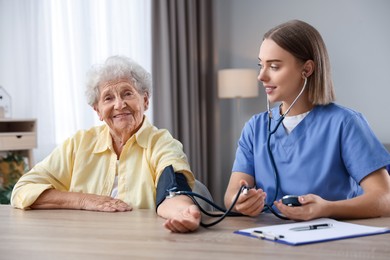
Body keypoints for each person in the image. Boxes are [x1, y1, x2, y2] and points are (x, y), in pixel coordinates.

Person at [11, 55, 201, 233]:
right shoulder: (78, 144)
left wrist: (184, 213)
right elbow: (23, 190)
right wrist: (85, 200)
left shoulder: (162, 143)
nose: (119, 105)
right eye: (108, 98)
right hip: (87, 242)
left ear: (145, 100)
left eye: (127, 93)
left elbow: (173, 191)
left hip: (143, 243)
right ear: (98, 111)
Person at [224, 20, 390, 221]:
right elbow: (231, 195)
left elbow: (384, 198)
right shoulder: (255, 128)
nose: (261, 76)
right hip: (267, 239)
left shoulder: (345, 123)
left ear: (307, 69)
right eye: (261, 65)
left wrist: (326, 209)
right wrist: (242, 201)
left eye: (274, 66)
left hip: (330, 240)